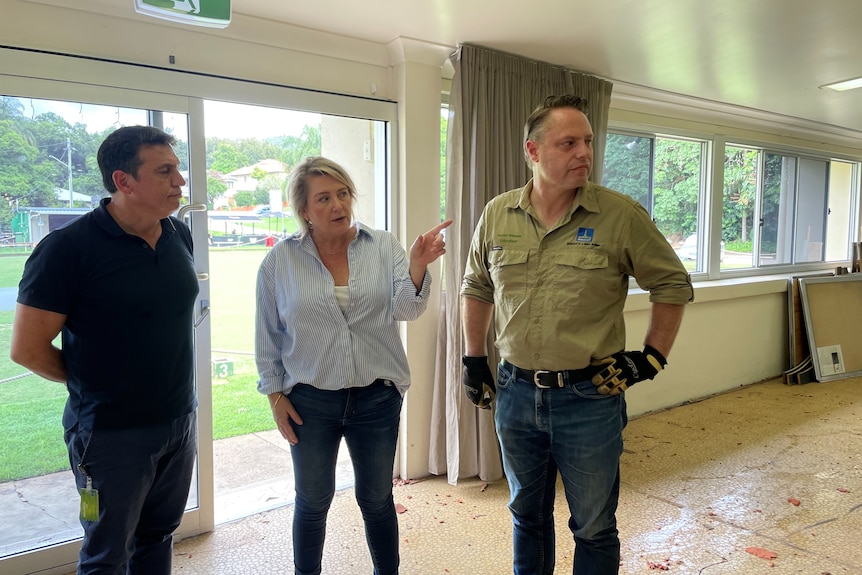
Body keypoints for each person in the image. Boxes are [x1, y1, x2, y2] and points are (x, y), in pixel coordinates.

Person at [460, 95, 694, 575]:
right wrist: (473, 360)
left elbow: (672, 283)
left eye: (587, 141)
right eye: (568, 143)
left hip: (589, 398)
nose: (584, 153)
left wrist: (650, 357)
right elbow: (477, 286)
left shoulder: (619, 216)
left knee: (592, 525)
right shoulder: (498, 214)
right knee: (526, 515)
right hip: (516, 394)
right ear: (534, 151)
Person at [10, 125, 199, 575]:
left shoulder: (178, 235)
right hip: (110, 436)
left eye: (178, 169)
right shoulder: (67, 250)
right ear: (123, 181)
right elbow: (28, 349)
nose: (181, 181)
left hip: (178, 422)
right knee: (106, 554)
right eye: (165, 171)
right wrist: (97, 386)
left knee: (158, 535)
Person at [255, 156, 452, 575]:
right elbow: (268, 336)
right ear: (304, 210)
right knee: (311, 501)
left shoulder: (382, 246)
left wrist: (417, 265)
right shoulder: (279, 262)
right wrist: (275, 395)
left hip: (376, 397)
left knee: (376, 500)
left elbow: (406, 309)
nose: (337, 204)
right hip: (309, 401)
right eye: (323, 198)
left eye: (343, 194)